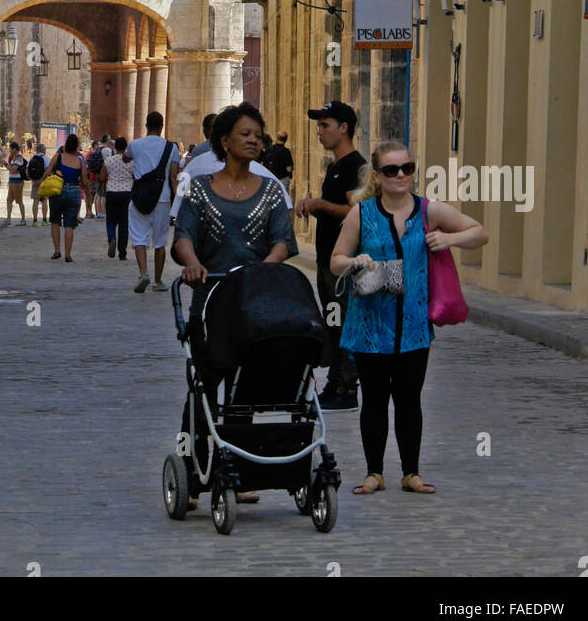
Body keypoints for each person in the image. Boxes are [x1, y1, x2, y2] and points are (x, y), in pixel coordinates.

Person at [331, 140, 488, 496]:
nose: (401, 175)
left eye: (408, 168)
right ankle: (374, 472)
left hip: (414, 325)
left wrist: (450, 240)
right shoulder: (362, 213)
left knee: (409, 399)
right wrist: (356, 262)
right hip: (370, 324)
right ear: (377, 175)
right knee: (372, 400)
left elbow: (480, 232)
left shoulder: (428, 211)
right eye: (391, 169)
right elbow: (336, 259)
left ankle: (410, 472)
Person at [173, 101, 298, 509]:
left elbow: (283, 240)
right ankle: (193, 474)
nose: (253, 140)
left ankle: (240, 471)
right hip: (210, 302)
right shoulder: (199, 188)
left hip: (256, 304)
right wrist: (192, 263)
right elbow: (183, 236)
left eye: (258, 136)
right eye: (245, 134)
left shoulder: (271, 191)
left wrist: (264, 269)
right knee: (203, 390)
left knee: (244, 393)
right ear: (224, 141)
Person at [296, 103, 366, 412]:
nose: (320, 132)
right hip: (328, 260)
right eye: (319, 125)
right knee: (333, 323)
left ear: (344, 128)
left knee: (346, 322)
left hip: (343, 262)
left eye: (325, 125)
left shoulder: (355, 167)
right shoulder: (336, 166)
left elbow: (358, 212)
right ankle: (334, 383)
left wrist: (321, 206)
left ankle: (348, 388)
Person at [125, 111, 180, 294]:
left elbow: (126, 157)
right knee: (160, 242)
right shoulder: (171, 148)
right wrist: (177, 203)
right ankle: (158, 280)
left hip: (140, 196)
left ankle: (143, 274)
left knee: (139, 238)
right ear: (162, 126)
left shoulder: (136, 145)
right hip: (162, 198)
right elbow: (173, 176)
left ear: (146, 125)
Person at [41, 134, 90, 262]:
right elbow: (85, 182)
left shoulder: (58, 157)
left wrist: (41, 186)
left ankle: (57, 251)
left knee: (55, 221)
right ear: (77, 148)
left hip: (58, 190)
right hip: (74, 191)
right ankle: (68, 254)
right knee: (69, 224)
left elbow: (47, 172)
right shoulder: (80, 161)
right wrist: (89, 199)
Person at [101, 136, 133, 259]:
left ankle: (111, 238)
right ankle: (122, 252)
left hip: (112, 192)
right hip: (126, 193)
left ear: (115, 147)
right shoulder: (131, 161)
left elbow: (102, 178)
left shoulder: (109, 160)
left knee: (111, 220)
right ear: (126, 147)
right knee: (124, 223)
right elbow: (136, 175)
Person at [5, 141, 28, 225]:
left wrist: (4, 163)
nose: (10, 150)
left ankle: (23, 219)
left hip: (17, 183)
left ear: (15, 149)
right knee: (9, 200)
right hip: (12, 182)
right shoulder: (14, 158)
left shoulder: (19, 158)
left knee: (19, 201)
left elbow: (13, 169)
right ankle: (8, 218)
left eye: (11, 149)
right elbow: (11, 169)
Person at [27, 142, 50, 225]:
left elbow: (27, 170)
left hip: (34, 182)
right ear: (44, 150)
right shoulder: (47, 159)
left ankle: (35, 221)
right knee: (44, 201)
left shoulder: (32, 158)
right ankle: (44, 220)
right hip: (44, 182)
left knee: (35, 201)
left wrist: (32, 180)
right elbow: (48, 172)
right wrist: (41, 181)